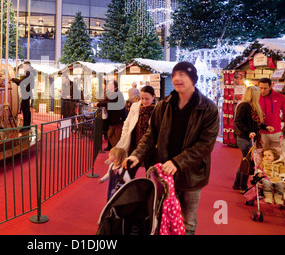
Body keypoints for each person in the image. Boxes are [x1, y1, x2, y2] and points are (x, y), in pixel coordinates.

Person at [123, 61, 219, 235]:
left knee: (187, 220)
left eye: (182, 74)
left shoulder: (208, 108)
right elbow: (150, 135)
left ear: (193, 79)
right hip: (164, 174)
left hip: (192, 174)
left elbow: (205, 145)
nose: (177, 78)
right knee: (161, 216)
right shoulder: (163, 105)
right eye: (175, 74)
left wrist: (177, 162)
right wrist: (137, 155)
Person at [233, 86, 274, 193]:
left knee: (245, 161)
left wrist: (265, 127)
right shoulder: (244, 105)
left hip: (248, 137)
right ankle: (242, 187)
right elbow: (238, 122)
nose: (260, 94)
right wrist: (249, 132)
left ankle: (237, 184)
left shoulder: (250, 106)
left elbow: (256, 123)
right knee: (248, 162)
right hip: (244, 137)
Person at [116, 85, 157, 179]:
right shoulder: (135, 107)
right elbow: (127, 124)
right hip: (135, 144)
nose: (144, 101)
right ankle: (125, 189)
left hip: (150, 147)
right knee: (127, 171)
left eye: (147, 99)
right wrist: (124, 137)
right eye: (142, 98)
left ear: (153, 97)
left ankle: (150, 191)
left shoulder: (158, 109)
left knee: (151, 174)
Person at [258, 78, 285, 155]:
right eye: (261, 88)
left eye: (265, 88)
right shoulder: (255, 97)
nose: (263, 91)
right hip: (261, 133)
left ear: (270, 87)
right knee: (262, 158)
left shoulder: (279, 97)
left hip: (277, 132)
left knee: (280, 156)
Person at [94, 79, 127, 151]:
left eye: (109, 84)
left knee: (116, 135)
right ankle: (112, 148)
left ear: (114, 86)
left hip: (118, 119)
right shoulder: (112, 93)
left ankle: (117, 150)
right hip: (113, 118)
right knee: (110, 133)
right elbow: (106, 101)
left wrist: (98, 104)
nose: (107, 86)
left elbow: (108, 103)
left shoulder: (117, 93)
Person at [11, 61, 35, 132]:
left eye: (24, 66)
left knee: (25, 109)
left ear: (28, 66)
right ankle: (27, 125)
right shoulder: (30, 73)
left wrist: (13, 79)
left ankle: (26, 126)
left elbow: (21, 82)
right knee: (26, 109)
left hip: (26, 93)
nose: (24, 68)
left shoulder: (28, 73)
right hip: (28, 92)